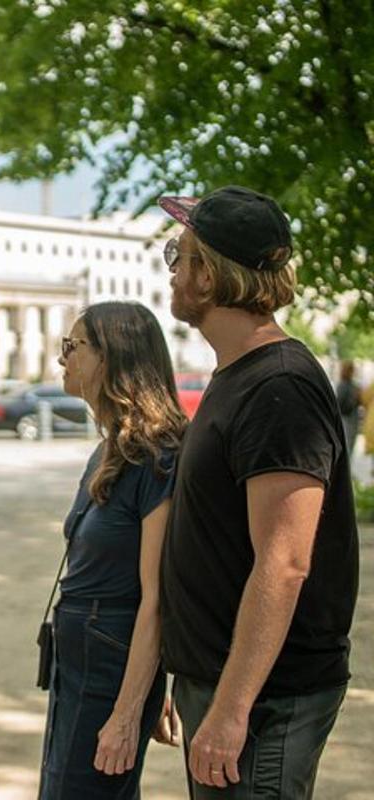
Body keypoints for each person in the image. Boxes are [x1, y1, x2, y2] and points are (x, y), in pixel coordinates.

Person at [158, 186, 358, 797]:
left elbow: (285, 561)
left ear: (212, 275)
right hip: (223, 682)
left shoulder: (280, 387)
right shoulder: (236, 376)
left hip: (266, 700)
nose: (171, 270)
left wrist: (231, 707)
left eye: (181, 255)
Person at [39, 302, 187, 798]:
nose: (61, 358)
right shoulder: (109, 451)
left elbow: (157, 596)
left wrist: (130, 708)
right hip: (80, 656)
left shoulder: (157, 456)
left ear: (113, 357)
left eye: (73, 346)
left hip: (108, 660)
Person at [334, 360, 361, 459]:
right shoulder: (345, 385)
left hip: (350, 419)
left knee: (350, 445)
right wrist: (355, 398)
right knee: (348, 445)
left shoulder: (350, 385)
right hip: (347, 419)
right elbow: (341, 404)